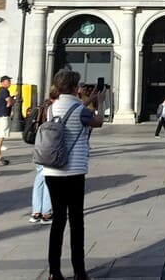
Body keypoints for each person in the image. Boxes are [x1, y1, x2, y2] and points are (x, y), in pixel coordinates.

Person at [43, 69, 105, 280]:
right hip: (74, 170)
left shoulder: (51, 108)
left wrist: (91, 98)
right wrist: (100, 102)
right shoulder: (79, 108)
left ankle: (54, 271)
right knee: (76, 220)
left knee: (58, 220)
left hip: (51, 170)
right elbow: (98, 122)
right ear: (73, 87)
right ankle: (79, 270)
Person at [30, 89, 56, 224]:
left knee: (39, 178)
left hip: (38, 145)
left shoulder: (42, 106)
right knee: (48, 178)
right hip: (49, 147)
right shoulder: (53, 109)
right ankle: (46, 213)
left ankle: (36, 212)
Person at [0, 75, 13, 166]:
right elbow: (9, 102)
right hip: (2, 116)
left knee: (0, 137)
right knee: (0, 137)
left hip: (1, 115)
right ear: (3, 82)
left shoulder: (1, 91)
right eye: (8, 81)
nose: (9, 83)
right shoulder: (4, 91)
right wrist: (12, 101)